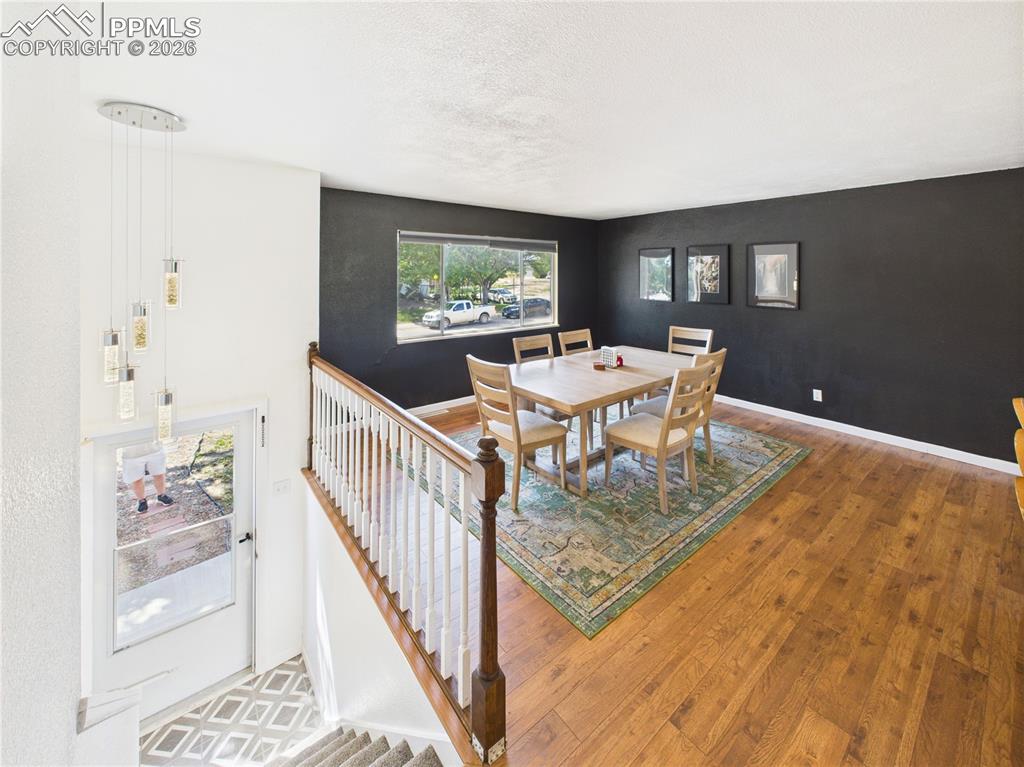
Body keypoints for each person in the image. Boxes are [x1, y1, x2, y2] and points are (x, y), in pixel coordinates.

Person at [122, 441, 174, 513]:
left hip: (154, 448)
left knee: (159, 473)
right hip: (132, 453)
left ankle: (161, 495)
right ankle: (141, 500)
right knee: (137, 479)